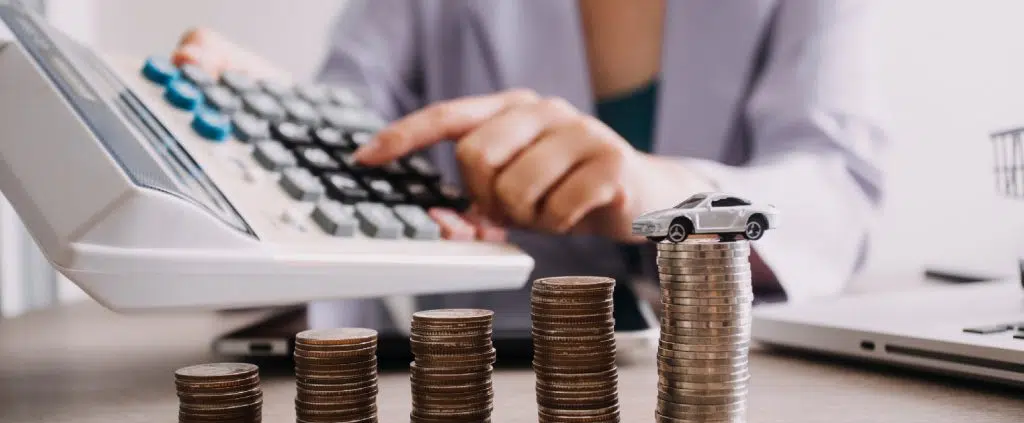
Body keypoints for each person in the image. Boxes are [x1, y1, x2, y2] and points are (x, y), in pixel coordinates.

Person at [173, 0, 887, 330]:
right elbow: (357, 123)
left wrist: (669, 194)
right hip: (469, 381)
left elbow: (836, 191)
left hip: (741, 386)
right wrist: (276, 125)